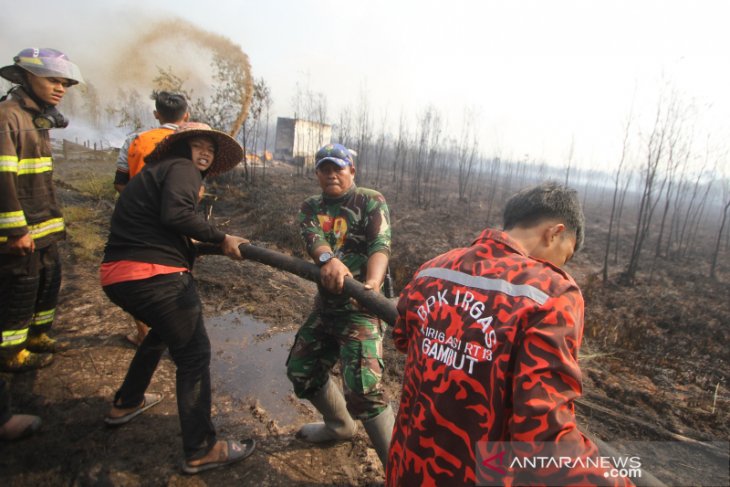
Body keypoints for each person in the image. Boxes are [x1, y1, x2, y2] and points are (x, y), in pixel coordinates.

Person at [387, 183, 632, 486]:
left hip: (406, 466)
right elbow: (543, 433)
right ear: (554, 232)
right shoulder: (551, 293)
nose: (559, 266)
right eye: (564, 257)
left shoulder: (433, 269)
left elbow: (402, 337)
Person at [100, 122, 255, 474]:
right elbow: (177, 215)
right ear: (182, 149)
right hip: (153, 276)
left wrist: (193, 246)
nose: (204, 153)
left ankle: (126, 402)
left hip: (118, 275)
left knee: (161, 333)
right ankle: (201, 448)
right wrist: (222, 237)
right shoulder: (183, 169)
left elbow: (164, 222)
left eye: (210, 150)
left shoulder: (158, 172)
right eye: (198, 145)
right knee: (194, 355)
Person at [286, 143, 394, 468]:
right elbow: (312, 237)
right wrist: (327, 259)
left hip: (363, 308)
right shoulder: (311, 206)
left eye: (338, 167)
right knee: (301, 371)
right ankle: (340, 426)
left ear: (352, 171)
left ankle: (399, 471)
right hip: (327, 305)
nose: (331, 173)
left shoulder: (370, 200)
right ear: (317, 172)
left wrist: (372, 286)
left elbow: (380, 244)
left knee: (364, 390)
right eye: (324, 168)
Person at [0, 48, 84, 372]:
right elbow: (3, 178)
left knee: (47, 281)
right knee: (19, 289)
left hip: (42, 223)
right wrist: (15, 230)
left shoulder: (37, 117)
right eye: (53, 80)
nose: (60, 88)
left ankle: (37, 336)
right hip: (21, 228)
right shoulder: (9, 115)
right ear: (26, 76)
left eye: (64, 82)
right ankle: (10, 352)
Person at [113, 91, 190, 347]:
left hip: (136, 222)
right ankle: (172, 330)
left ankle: (144, 331)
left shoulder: (135, 140)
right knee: (174, 274)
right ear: (186, 115)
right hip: (177, 220)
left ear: (156, 114)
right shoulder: (190, 143)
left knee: (136, 275)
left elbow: (120, 182)